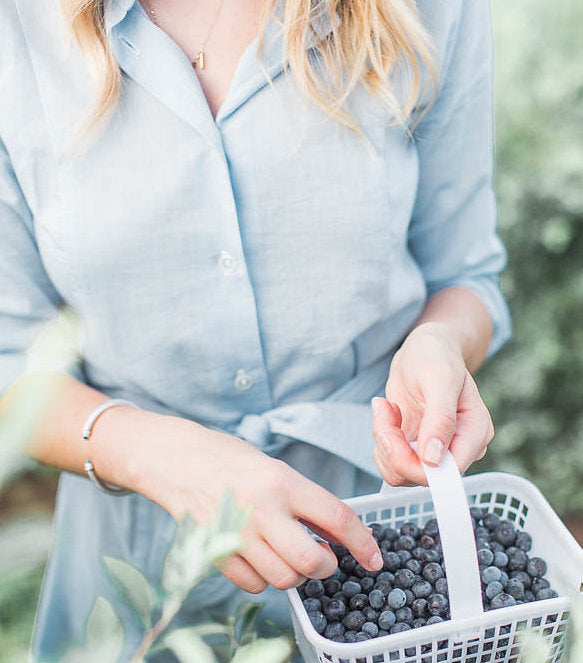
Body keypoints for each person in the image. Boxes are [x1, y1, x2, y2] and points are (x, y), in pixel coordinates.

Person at [0, 0, 511, 660]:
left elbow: (465, 275)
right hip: (135, 567)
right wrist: (159, 455)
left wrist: (438, 342)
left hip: (379, 540)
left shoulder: (430, 10)